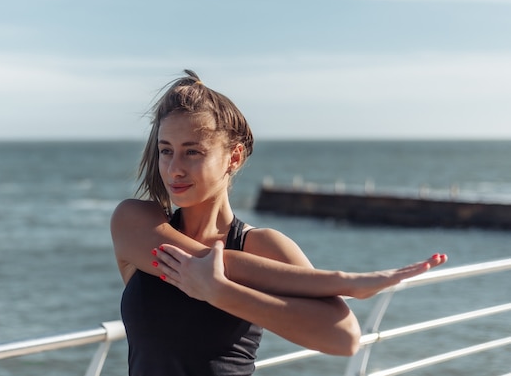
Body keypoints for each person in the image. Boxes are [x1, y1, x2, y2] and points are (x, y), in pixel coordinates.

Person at [111, 69, 447, 376]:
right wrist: (342, 282)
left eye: (192, 152)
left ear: (234, 156)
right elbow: (208, 261)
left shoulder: (265, 246)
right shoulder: (135, 222)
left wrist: (222, 292)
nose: (174, 169)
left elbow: (344, 339)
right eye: (166, 151)